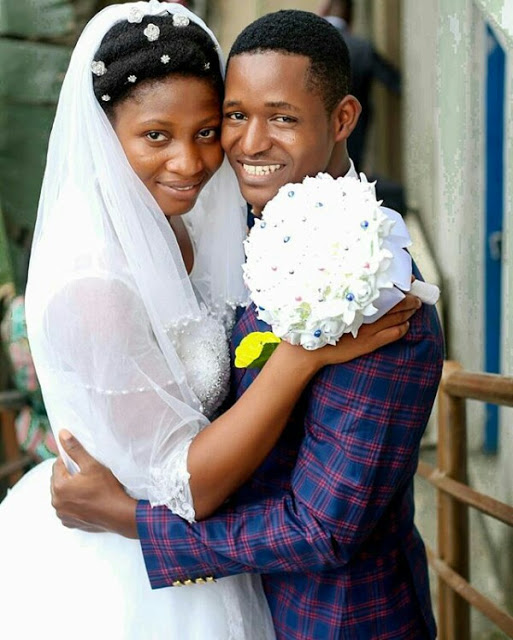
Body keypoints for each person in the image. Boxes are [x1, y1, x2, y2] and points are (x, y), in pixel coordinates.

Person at [0, 4, 416, 640]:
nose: (191, 162)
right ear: (105, 134)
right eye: (156, 136)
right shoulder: (93, 287)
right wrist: (299, 358)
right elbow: (182, 479)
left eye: (204, 130)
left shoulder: (338, 265)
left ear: (342, 120)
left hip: (290, 583)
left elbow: (321, 524)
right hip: (141, 583)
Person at [318, 0, 401, 173]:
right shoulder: (362, 48)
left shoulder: (311, 49)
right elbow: (395, 82)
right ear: (351, 16)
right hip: (355, 130)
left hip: (319, 130)